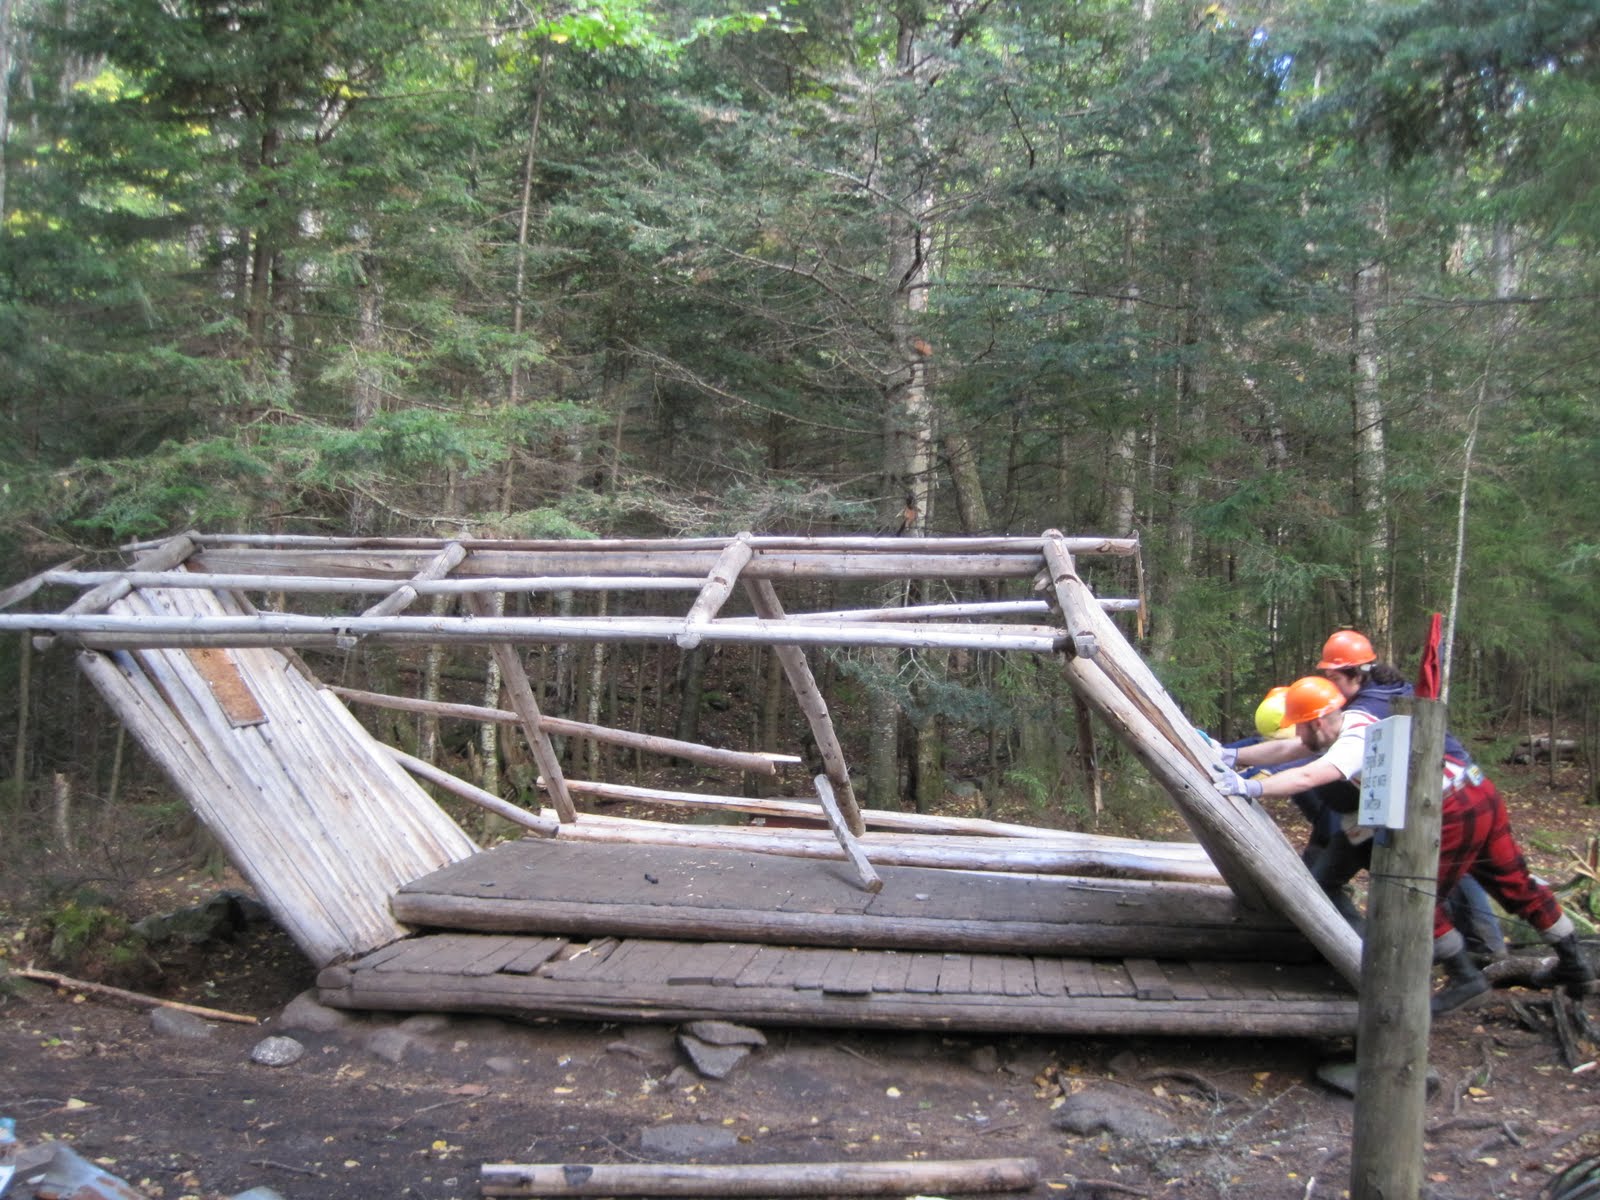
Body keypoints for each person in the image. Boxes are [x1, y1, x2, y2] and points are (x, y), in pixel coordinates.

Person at [1215, 675, 1596, 1015]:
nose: (1297, 738)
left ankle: (1465, 977)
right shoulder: (1351, 720)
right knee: (1516, 884)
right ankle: (1574, 964)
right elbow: (1290, 752)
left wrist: (1252, 787)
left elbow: (1308, 774)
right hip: (1478, 791)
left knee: (1413, 900)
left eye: (1300, 728)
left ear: (1316, 722)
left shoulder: (1351, 744)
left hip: (1448, 809)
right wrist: (1233, 755)